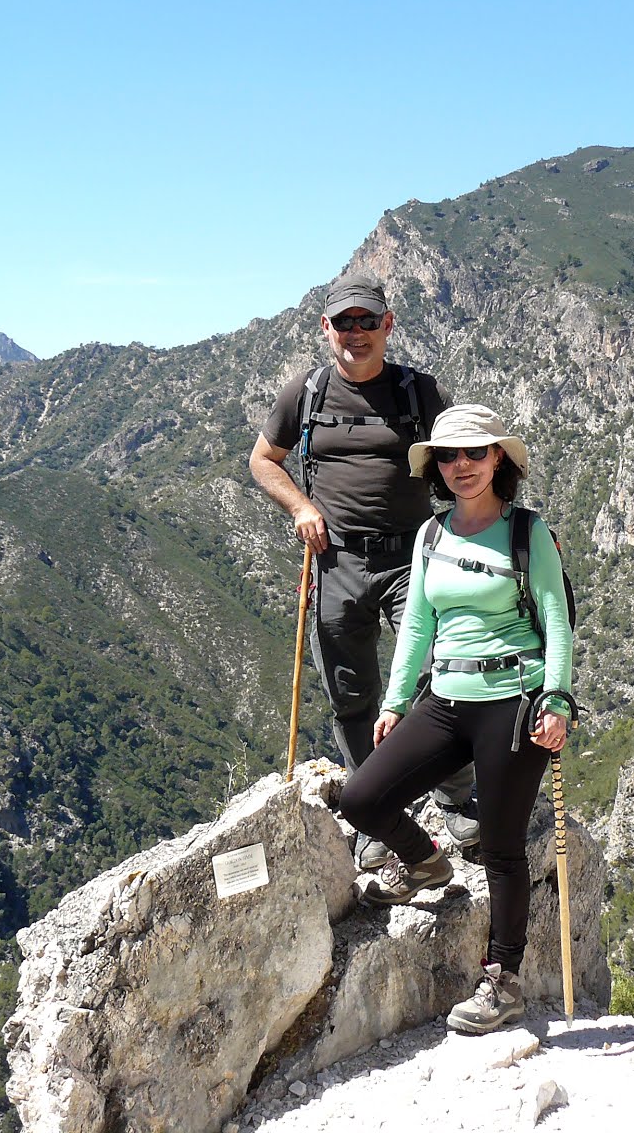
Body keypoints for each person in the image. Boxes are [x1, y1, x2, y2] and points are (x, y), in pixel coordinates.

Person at [337, 404, 574, 1034]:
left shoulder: (528, 534)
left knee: (499, 847)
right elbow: (417, 624)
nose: (461, 466)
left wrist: (557, 700)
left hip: (513, 700)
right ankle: (423, 862)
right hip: (444, 699)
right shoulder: (431, 536)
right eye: (448, 456)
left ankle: (503, 978)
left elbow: (555, 619)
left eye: (474, 453)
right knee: (362, 797)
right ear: (435, 466)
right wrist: (392, 704)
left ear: (499, 458)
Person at [250, 270, 476, 867]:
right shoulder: (306, 392)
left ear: (388, 326)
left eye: (367, 321)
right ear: (326, 329)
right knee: (351, 692)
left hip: (413, 557)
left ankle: (458, 799)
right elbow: (263, 460)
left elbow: (466, 462)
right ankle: (380, 814)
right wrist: (300, 507)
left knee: (439, 676)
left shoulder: (420, 394)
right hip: (336, 560)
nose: (356, 333)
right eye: (344, 322)